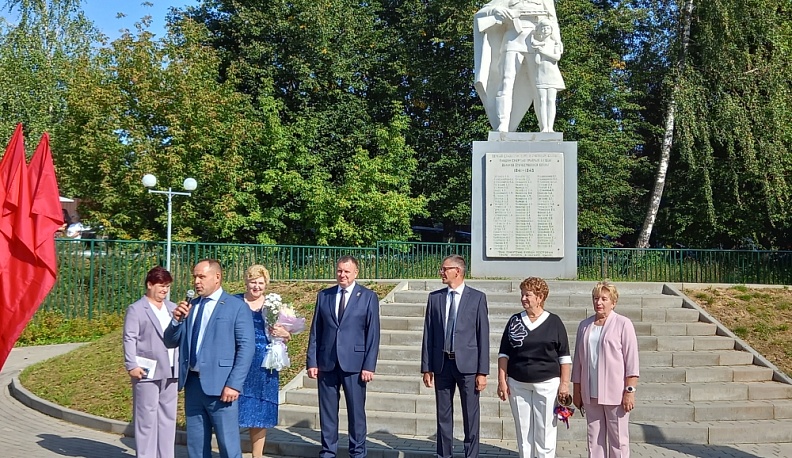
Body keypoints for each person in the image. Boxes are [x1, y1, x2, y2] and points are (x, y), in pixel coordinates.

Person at [164, 259, 255, 458]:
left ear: (217, 277)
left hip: (222, 386)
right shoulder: (191, 306)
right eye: (195, 276)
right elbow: (170, 341)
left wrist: (234, 384)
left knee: (228, 446)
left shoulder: (236, 307)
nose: (196, 281)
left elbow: (246, 348)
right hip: (193, 383)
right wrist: (176, 320)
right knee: (196, 446)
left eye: (201, 276)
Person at [306, 255, 381, 458]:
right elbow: (316, 331)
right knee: (327, 412)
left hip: (355, 365)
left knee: (356, 412)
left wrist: (369, 365)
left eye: (347, 271)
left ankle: (357, 452)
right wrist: (312, 361)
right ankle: (328, 452)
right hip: (327, 363)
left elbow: (373, 334)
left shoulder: (367, 296)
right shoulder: (325, 296)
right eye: (339, 270)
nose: (342, 275)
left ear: (356, 273)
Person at [420, 254, 490, 458]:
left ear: (457, 271)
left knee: (470, 415)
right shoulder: (435, 298)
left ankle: (471, 455)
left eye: (444, 269)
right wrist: (426, 367)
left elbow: (482, 335)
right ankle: (444, 454)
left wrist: (482, 371)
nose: (441, 272)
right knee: (443, 415)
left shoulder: (477, 298)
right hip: (442, 365)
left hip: (468, 367)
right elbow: (428, 333)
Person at [497, 277, 571, 458]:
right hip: (517, 383)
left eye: (527, 295)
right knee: (523, 432)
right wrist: (501, 381)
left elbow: (564, 357)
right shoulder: (515, 320)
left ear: (540, 297)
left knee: (545, 432)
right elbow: (503, 354)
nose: (523, 298)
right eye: (522, 294)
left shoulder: (554, 322)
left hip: (547, 385)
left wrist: (564, 384)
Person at [572, 281, 639, 458]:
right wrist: (576, 390)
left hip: (616, 394)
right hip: (590, 392)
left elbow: (631, 360)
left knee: (618, 440)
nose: (599, 302)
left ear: (613, 302)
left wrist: (629, 391)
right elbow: (578, 360)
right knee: (594, 439)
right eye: (595, 298)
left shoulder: (623, 324)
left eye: (604, 298)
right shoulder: (584, 326)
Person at [474, 0, 560, 132]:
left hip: (537, 42)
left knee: (540, 86)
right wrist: (496, 11)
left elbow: (552, 20)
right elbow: (482, 13)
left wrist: (557, 42)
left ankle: (546, 128)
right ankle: (503, 124)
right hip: (512, 39)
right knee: (506, 83)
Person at [122, 266, 179, 458]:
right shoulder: (136, 309)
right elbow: (129, 338)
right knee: (146, 418)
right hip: (147, 370)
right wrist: (132, 365)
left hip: (171, 370)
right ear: (149, 284)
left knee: (168, 418)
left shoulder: (172, 308)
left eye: (167, 287)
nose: (164, 290)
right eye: (161, 286)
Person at [235, 264, 291, 458]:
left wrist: (285, 333)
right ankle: (233, 452)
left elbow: (286, 335)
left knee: (260, 410)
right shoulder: (235, 302)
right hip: (240, 362)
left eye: (260, 283)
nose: (256, 287)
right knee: (236, 407)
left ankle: (256, 455)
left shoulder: (273, 305)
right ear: (246, 282)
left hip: (265, 364)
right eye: (253, 282)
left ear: (266, 284)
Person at [530, 18, 565, 132]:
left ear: (551, 30)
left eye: (547, 28)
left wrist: (543, 51)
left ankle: (550, 127)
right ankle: (544, 127)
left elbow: (556, 57)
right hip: (541, 74)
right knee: (542, 100)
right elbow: (537, 61)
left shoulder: (555, 43)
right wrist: (537, 49)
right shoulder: (539, 44)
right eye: (543, 28)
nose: (545, 30)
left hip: (552, 74)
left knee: (551, 100)